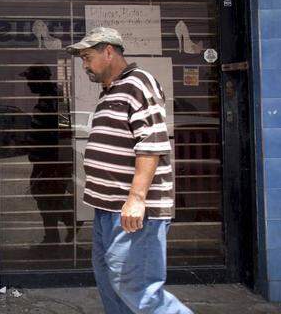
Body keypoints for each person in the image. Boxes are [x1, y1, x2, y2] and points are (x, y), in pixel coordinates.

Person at [65, 27, 192, 314]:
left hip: (132, 213)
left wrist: (136, 198)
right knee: (111, 282)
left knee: (139, 289)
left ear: (108, 51)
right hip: (107, 209)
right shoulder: (111, 91)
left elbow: (151, 144)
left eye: (87, 57)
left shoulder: (138, 83)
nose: (84, 65)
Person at [20, 65, 75, 245]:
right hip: (47, 161)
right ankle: (60, 228)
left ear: (39, 80)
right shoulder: (50, 98)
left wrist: (54, 162)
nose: (28, 84)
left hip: (51, 162)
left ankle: (65, 223)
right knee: (46, 196)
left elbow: (61, 132)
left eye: (30, 80)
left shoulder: (53, 100)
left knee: (47, 197)